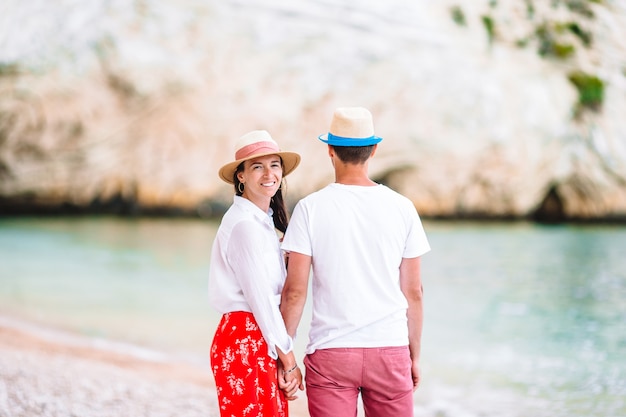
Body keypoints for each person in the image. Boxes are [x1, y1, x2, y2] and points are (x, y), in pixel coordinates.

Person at [280, 107, 431, 417]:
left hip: (331, 353)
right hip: (389, 350)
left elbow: (295, 291)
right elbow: (413, 291)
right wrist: (413, 355)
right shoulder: (403, 208)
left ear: (330, 150)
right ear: (374, 150)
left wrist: (285, 356)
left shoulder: (310, 208)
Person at [208, 130, 304, 417]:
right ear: (241, 176)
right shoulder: (244, 226)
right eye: (257, 166)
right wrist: (289, 360)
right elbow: (261, 300)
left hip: (257, 337)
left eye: (274, 165)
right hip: (245, 339)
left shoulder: (260, 224)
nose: (268, 174)